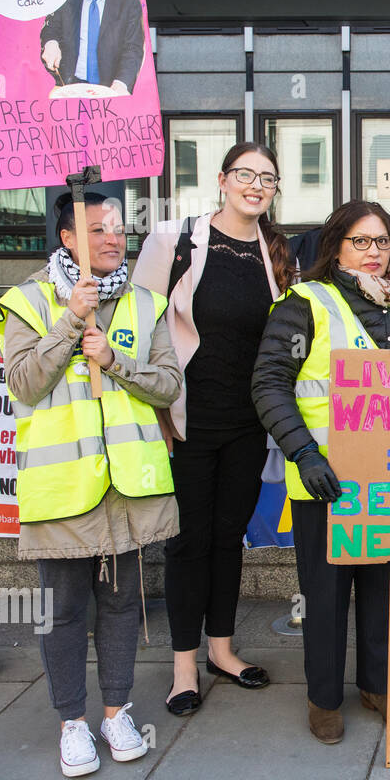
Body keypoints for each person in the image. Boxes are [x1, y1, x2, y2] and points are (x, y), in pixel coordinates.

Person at [0, 193, 180, 776]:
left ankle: (116, 710)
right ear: (67, 238)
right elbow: (24, 383)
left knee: (124, 605)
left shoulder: (147, 303)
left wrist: (116, 361)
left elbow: (169, 385)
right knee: (65, 609)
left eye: (118, 229)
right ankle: (72, 722)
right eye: (96, 229)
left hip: (127, 486)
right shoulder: (27, 299)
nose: (111, 238)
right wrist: (72, 319)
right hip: (64, 488)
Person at [252, 200, 390, 742]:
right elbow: (269, 383)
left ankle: (379, 686)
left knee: (386, 591)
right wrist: (304, 453)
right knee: (325, 599)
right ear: (337, 246)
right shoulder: (305, 302)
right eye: (361, 241)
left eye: (383, 242)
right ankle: (324, 697)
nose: (374, 252)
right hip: (325, 481)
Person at [134, 142, 295, 715]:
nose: (256, 185)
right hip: (185, 419)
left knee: (230, 538)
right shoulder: (174, 241)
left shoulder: (276, 252)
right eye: (246, 174)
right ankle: (183, 666)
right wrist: (155, 410)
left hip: (248, 422)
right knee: (188, 543)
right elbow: (140, 323)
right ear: (223, 179)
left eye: (268, 179)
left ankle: (222, 650)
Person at [39, 0, 145, 94]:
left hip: (111, 87)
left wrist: (121, 83)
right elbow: (51, 28)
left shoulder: (128, 2)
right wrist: (51, 42)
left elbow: (133, 48)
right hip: (71, 86)